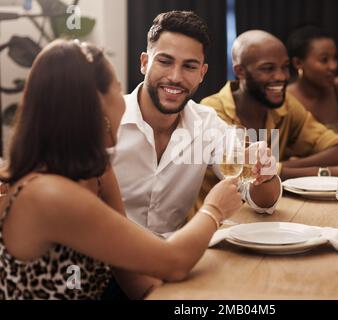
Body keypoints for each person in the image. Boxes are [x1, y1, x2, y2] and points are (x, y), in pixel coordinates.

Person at [0, 39, 243, 300]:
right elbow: (174, 262)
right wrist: (214, 209)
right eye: (117, 90)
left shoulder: (99, 172)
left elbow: (136, 280)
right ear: (96, 106)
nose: (125, 103)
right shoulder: (48, 194)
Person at [111, 11, 281, 237]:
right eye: (164, 61)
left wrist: (265, 174)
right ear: (144, 63)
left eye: (189, 66)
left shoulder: (207, 124)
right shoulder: (107, 120)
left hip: (177, 258)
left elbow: (262, 201)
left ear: (202, 73)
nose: (175, 77)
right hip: (108, 260)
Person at [198, 30, 338, 210]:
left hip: (267, 213)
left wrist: (278, 167)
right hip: (216, 223)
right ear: (239, 71)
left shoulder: (286, 105)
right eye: (268, 68)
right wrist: (322, 171)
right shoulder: (212, 110)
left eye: (285, 67)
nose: (281, 76)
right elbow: (242, 177)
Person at [286, 26, 338, 150]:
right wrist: (337, 148)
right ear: (298, 63)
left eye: (335, 58)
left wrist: (330, 148)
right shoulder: (287, 98)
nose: (333, 66)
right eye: (324, 60)